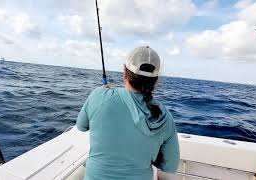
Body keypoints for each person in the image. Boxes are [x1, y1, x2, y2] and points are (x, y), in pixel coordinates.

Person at [76, 46, 180, 180]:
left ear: (125, 73)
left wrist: (102, 94)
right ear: (156, 81)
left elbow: (81, 126)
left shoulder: (99, 95)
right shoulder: (165, 117)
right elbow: (170, 167)